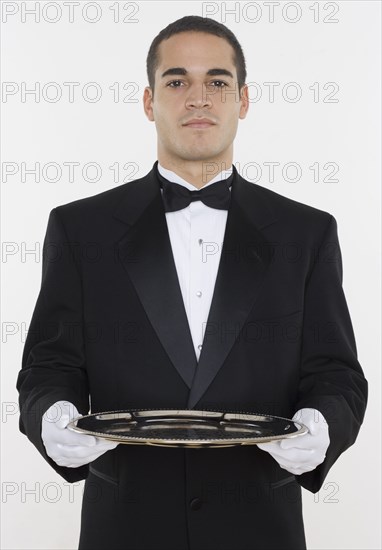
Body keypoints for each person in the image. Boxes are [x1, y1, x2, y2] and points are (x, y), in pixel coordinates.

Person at [16, 15, 368, 550]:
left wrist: (322, 426)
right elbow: (49, 366)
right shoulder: (79, 227)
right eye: (177, 81)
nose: (198, 98)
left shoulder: (308, 232)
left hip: (260, 529)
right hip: (125, 529)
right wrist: (51, 417)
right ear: (149, 101)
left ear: (243, 101)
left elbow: (336, 373)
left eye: (218, 82)